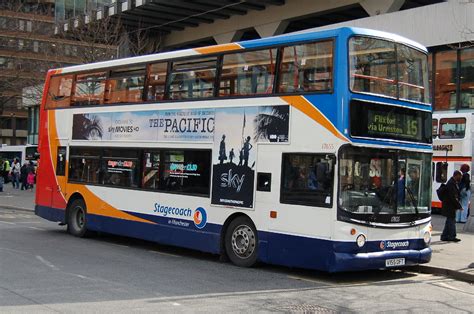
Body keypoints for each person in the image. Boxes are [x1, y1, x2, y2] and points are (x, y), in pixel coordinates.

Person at [440, 170, 463, 242]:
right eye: (460, 176)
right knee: (452, 221)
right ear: (456, 175)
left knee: (449, 221)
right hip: (450, 206)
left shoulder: (452, 182)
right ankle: (452, 236)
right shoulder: (451, 183)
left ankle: (444, 236)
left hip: (450, 205)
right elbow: (453, 197)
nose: (461, 177)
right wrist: (459, 206)